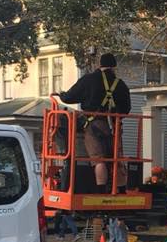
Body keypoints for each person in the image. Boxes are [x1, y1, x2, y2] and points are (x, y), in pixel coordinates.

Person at [55, 53, 131, 193]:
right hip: (114, 125)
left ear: (99, 65)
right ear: (114, 66)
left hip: (94, 124)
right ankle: (121, 190)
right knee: (116, 157)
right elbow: (126, 108)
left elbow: (70, 97)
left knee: (98, 158)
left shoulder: (89, 79)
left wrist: (61, 95)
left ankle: (100, 191)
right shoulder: (120, 84)